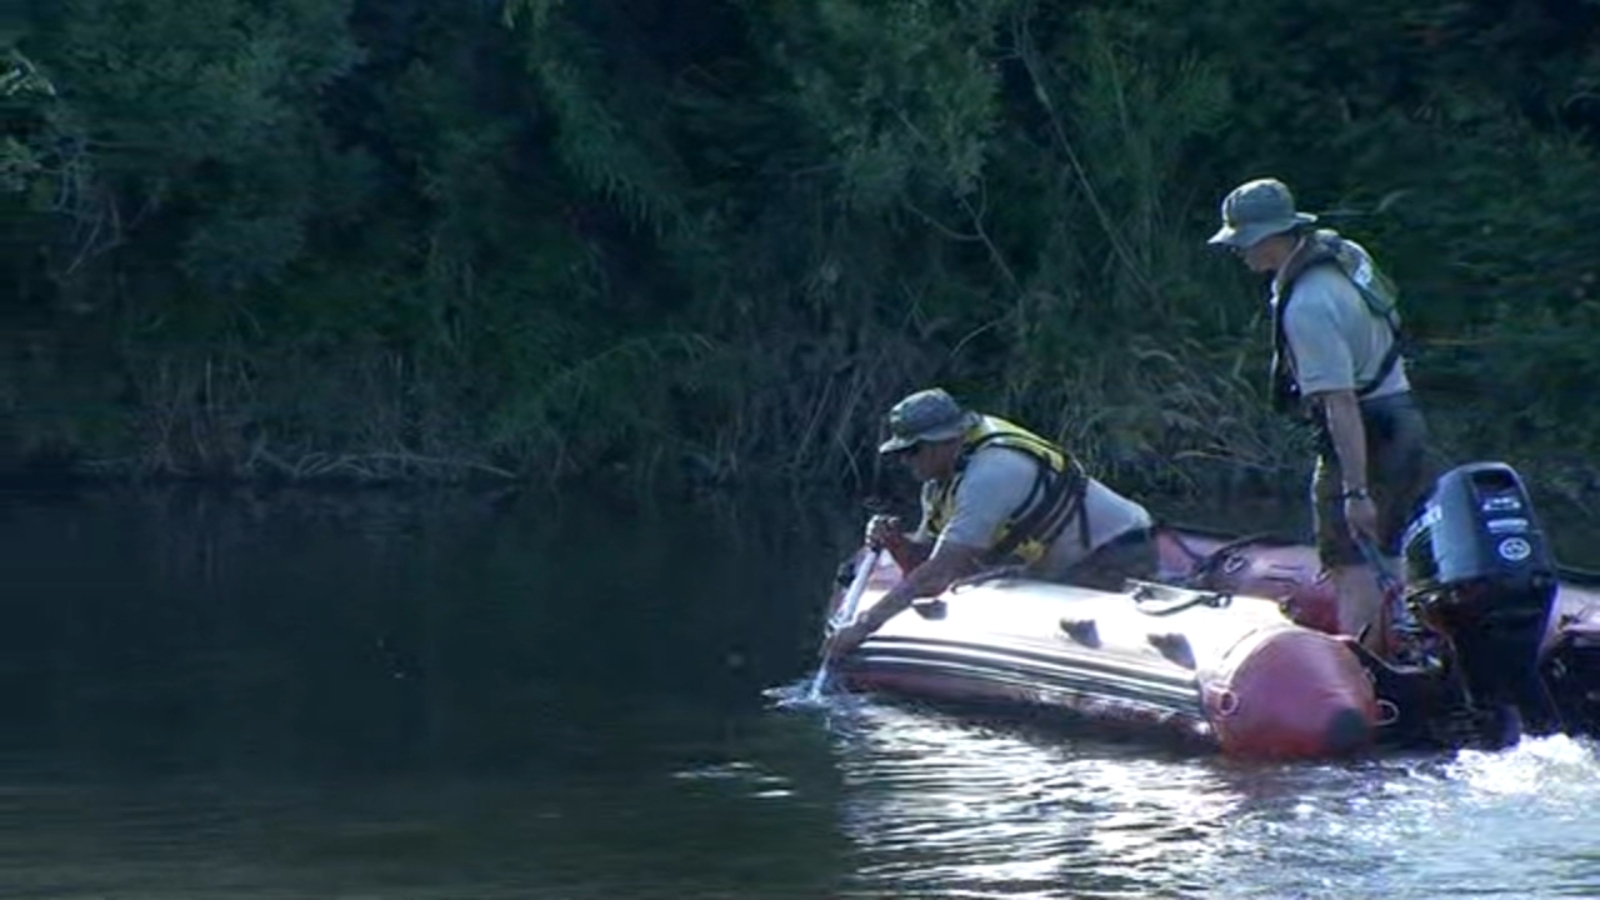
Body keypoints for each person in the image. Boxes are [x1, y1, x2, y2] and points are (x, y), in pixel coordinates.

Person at [1207, 177, 1431, 655]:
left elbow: (1340, 403)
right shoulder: (1344, 255)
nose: (1238, 252)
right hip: (1404, 419)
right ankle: (1404, 655)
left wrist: (1355, 491)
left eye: (1244, 241)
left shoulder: (1306, 306)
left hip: (1366, 431)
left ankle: (1368, 672)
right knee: (1389, 553)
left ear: (1273, 237)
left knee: (1351, 562)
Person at [822, 388, 1156, 660]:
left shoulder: (990, 473)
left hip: (1117, 549)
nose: (905, 460)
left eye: (913, 450)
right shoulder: (940, 481)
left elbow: (939, 572)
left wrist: (863, 627)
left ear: (945, 441)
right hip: (1061, 563)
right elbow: (924, 565)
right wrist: (896, 542)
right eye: (902, 452)